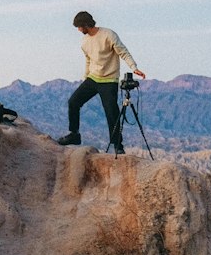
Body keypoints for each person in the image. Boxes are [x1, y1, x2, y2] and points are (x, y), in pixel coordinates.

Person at [57, 11, 146, 155]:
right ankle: (74, 134)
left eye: (79, 27)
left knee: (111, 112)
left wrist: (134, 67)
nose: (79, 30)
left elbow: (123, 52)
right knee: (73, 102)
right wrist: (85, 77)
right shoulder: (85, 41)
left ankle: (118, 145)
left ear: (86, 24)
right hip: (92, 79)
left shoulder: (108, 35)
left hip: (109, 80)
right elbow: (88, 60)